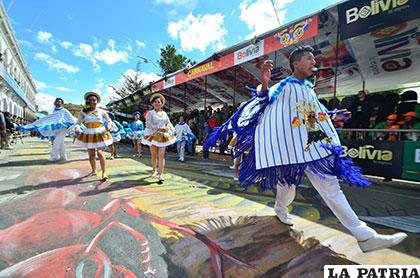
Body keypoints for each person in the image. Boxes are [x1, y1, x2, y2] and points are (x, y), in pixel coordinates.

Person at [204, 46, 406, 253]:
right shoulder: (285, 86)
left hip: (312, 149)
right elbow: (263, 101)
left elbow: (314, 112)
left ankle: (365, 236)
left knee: (331, 189)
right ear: (296, 64)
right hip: (291, 151)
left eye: (313, 59)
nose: (314, 62)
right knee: (287, 187)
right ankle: (280, 209)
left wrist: (332, 115)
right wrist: (264, 82)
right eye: (309, 59)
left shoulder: (308, 88)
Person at [74, 92, 114, 181]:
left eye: (94, 100)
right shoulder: (83, 112)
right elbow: (78, 123)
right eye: (90, 100)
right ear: (87, 101)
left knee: (100, 152)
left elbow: (109, 121)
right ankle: (93, 170)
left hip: (100, 132)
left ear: (97, 101)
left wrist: (109, 125)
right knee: (91, 154)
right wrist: (77, 127)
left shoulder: (102, 111)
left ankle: (104, 172)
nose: (92, 102)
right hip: (89, 133)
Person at [142, 93, 176, 181]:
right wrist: (158, 128)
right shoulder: (150, 113)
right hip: (153, 136)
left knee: (161, 155)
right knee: (154, 155)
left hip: (163, 137)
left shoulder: (164, 113)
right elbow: (148, 125)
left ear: (162, 104)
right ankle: (154, 170)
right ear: (152, 103)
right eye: (155, 102)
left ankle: (161, 174)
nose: (157, 103)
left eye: (159, 102)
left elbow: (168, 123)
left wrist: (168, 128)